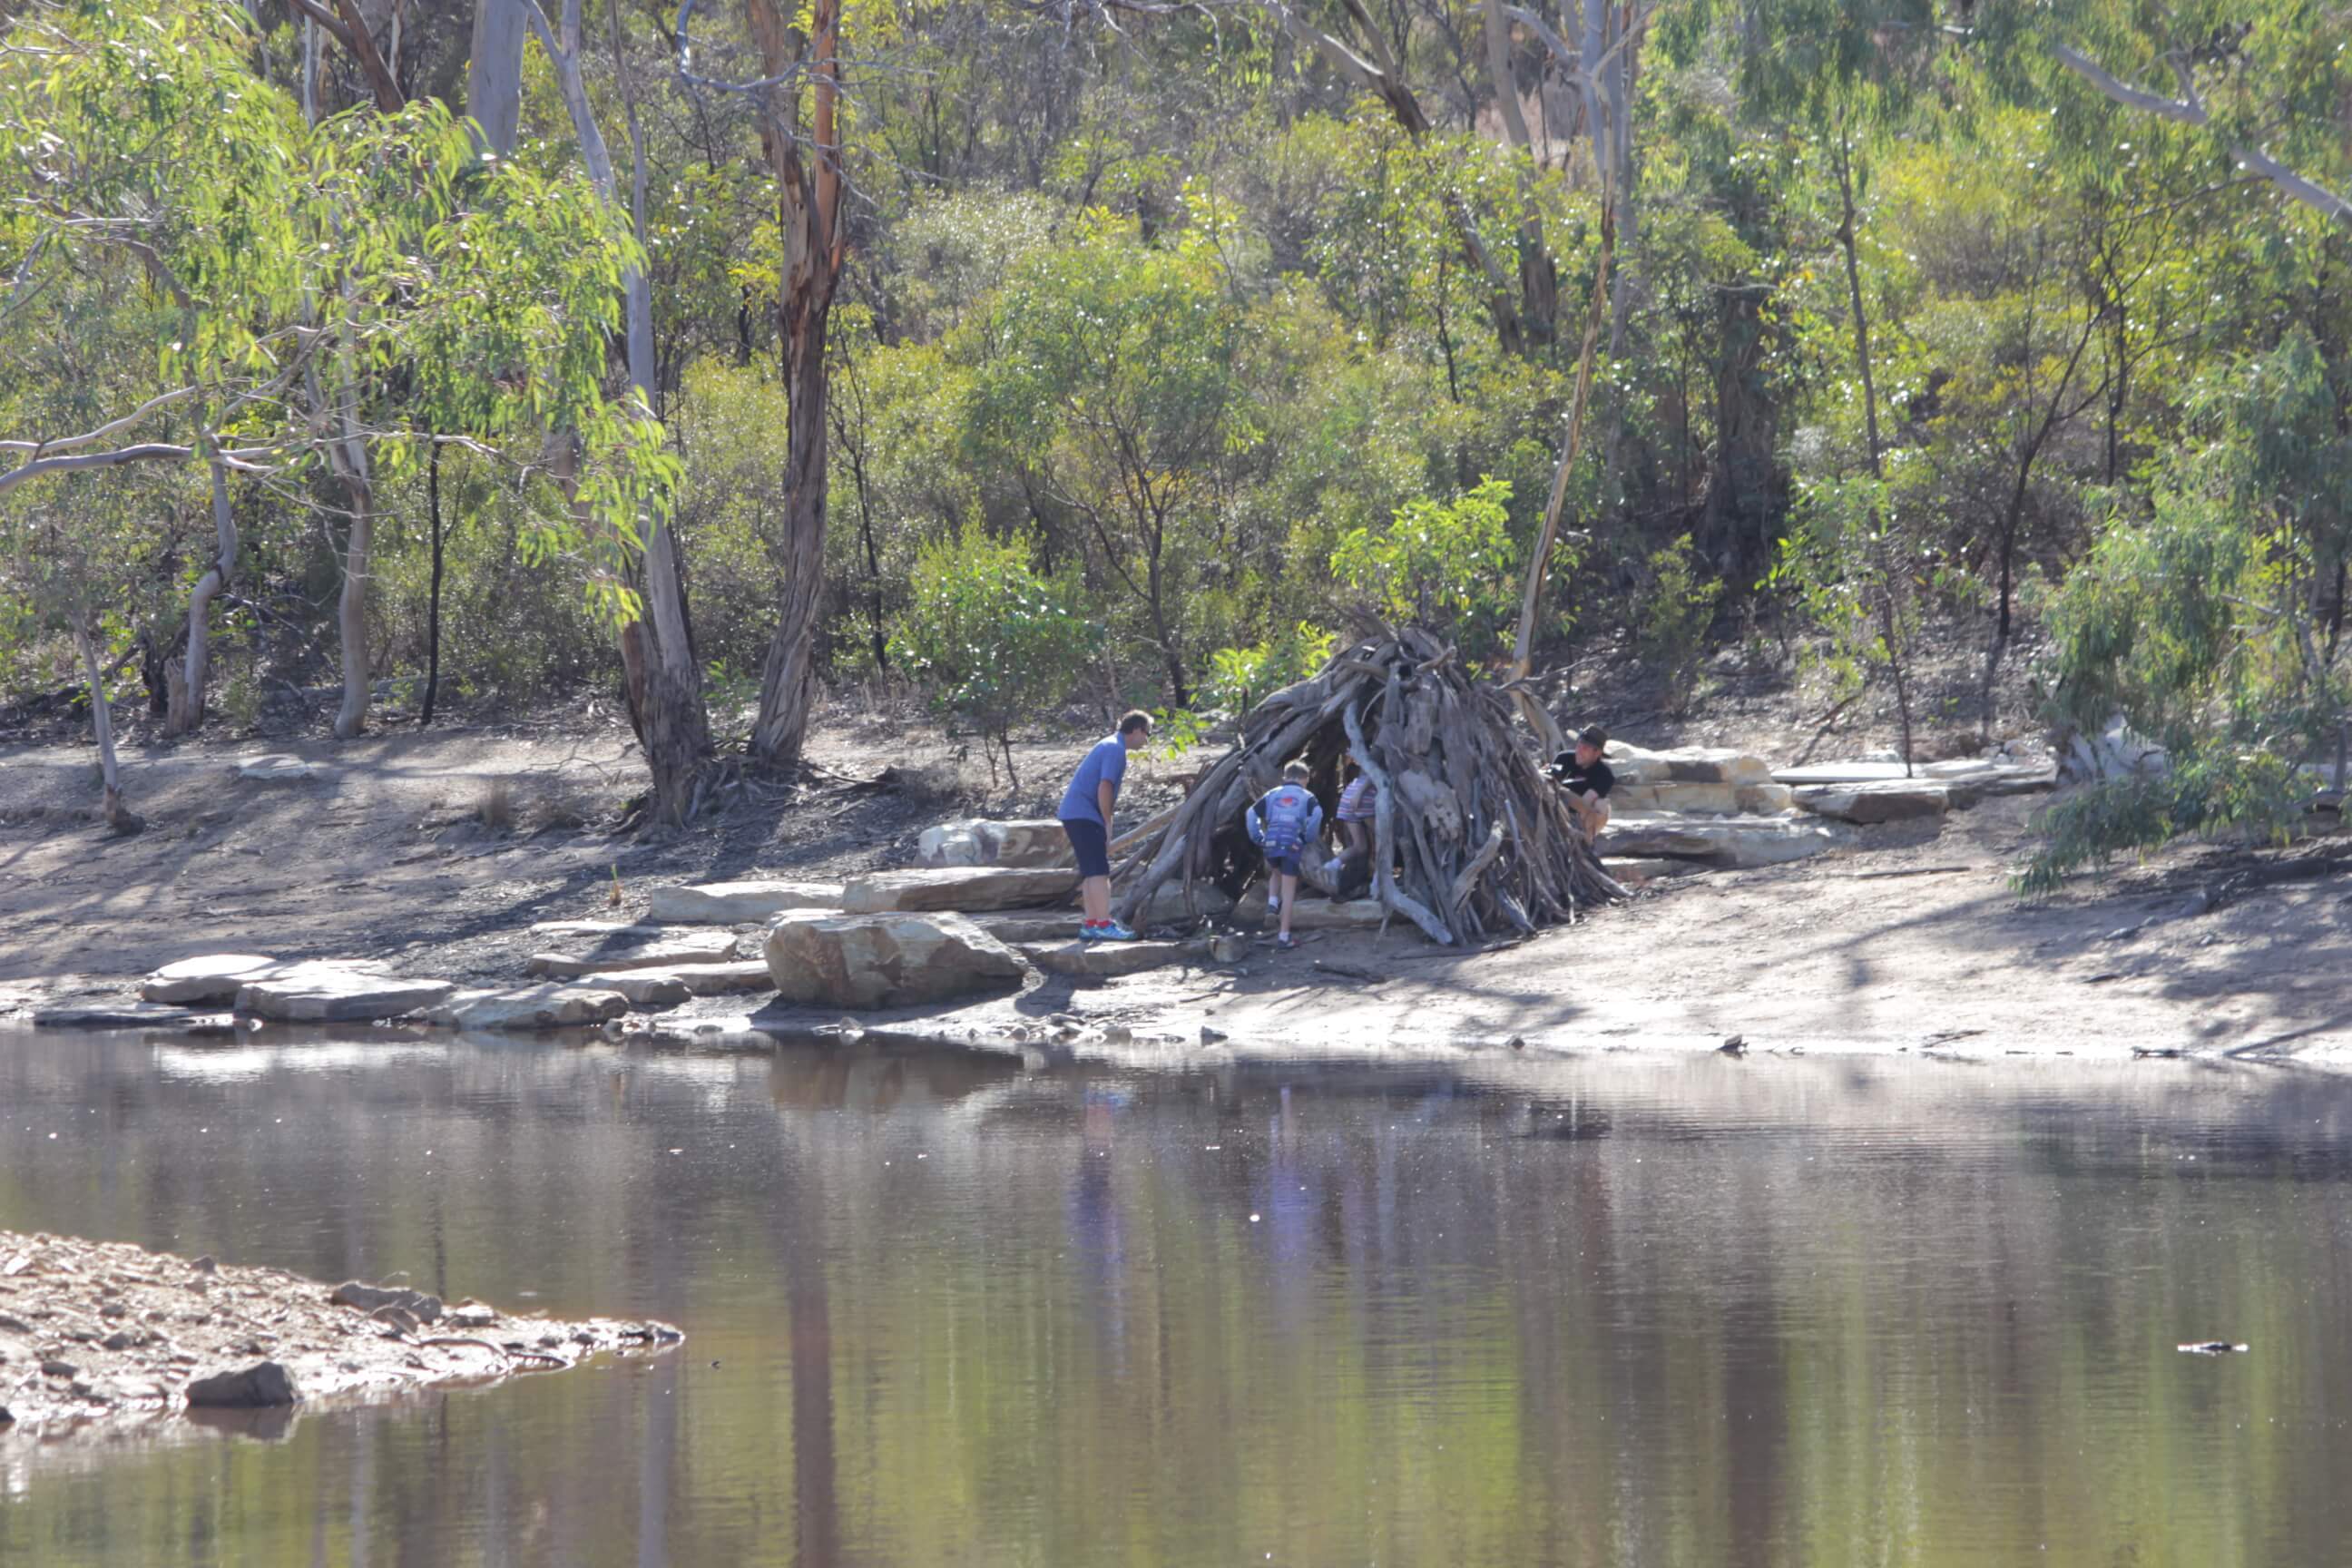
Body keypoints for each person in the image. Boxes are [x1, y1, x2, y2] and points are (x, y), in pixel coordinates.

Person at [1059, 710, 1154, 941]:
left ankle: (1091, 924)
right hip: (1084, 815)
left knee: (1091, 872)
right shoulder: (1115, 749)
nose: (1147, 739)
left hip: (1073, 813)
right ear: (1136, 730)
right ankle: (1104, 924)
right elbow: (1105, 787)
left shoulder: (1109, 744)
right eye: (1147, 733)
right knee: (1100, 872)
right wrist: (1107, 821)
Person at [1246, 760, 1326, 950]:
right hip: (1291, 843)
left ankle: (1272, 904)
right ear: (1305, 779)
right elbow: (1317, 815)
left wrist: (1258, 836)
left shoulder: (1273, 794)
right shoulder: (1307, 797)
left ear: (1285, 777)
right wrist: (1307, 837)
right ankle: (1284, 937)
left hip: (1271, 841)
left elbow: (1251, 813)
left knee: (1275, 871)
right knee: (1289, 893)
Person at [1548, 723, 1615, 844]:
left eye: (1585, 748)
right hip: (1556, 805)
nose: (1579, 751)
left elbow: (1585, 802)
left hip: (1583, 813)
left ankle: (1585, 840)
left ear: (1597, 753)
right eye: (1579, 745)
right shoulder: (1563, 759)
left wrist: (1564, 794)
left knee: (1601, 805)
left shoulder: (1605, 775)